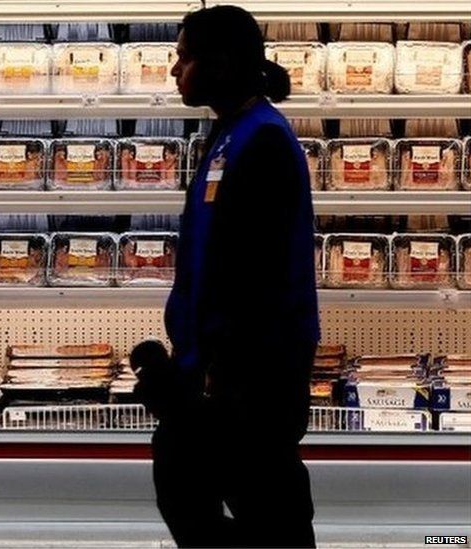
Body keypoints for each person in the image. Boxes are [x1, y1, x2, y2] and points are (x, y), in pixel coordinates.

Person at [132, 5, 321, 548]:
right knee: (188, 485)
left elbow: (254, 274)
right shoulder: (231, 132)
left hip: (251, 373)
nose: (175, 70)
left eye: (184, 57)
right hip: (220, 366)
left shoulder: (261, 139)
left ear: (221, 63)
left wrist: (212, 371)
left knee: (267, 512)